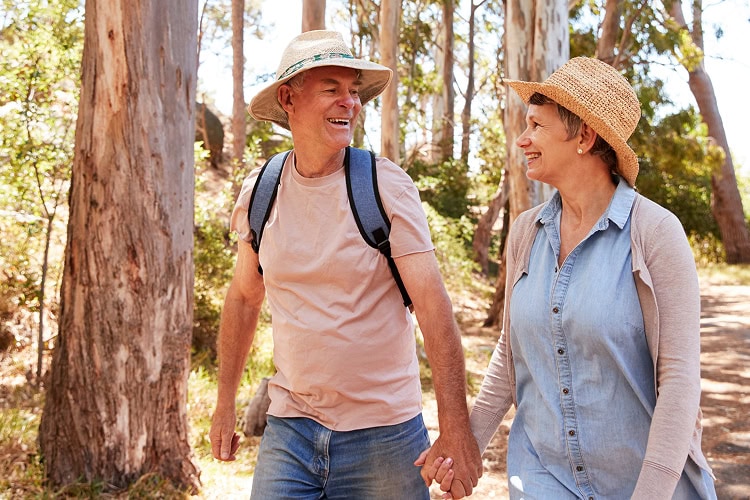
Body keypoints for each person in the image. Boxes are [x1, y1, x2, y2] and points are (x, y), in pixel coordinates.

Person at [420, 57, 717, 499]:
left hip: (643, 485)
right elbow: (510, 356)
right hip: (544, 482)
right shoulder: (525, 231)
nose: (523, 139)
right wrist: (468, 448)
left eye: (537, 126)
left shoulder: (654, 232)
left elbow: (679, 383)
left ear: (585, 136)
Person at [209, 30, 482, 499]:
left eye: (354, 91)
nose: (350, 103)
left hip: (386, 436)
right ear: (288, 98)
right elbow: (242, 296)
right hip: (290, 428)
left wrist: (455, 427)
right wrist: (223, 403)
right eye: (332, 89)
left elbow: (433, 307)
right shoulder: (262, 192)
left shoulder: (385, 187)